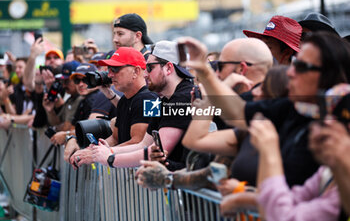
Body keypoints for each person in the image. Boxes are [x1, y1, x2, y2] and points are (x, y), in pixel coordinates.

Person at [178, 31, 350, 188]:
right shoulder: (291, 107)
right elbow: (235, 113)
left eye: (302, 66)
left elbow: (308, 201)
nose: (291, 72)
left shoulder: (337, 128)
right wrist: (204, 71)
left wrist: (243, 194)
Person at [136, 66, 289, 191]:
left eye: (150, 67)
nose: (146, 73)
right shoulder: (248, 129)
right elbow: (202, 165)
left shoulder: (285, 132)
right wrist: (167, 172)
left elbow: (205, 163)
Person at [78, 41, 194, 170]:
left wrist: (110, 157)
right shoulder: (164, 100)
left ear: (168, 68)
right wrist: (104, 152)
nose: (145, 74)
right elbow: (144, 144)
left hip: (187, 184)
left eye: (150, 67)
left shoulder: (182, 98)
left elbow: (156, 151)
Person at [66, 47, 157, 164]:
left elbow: (138, 143)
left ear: (136, 71)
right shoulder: (125, 99)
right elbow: (115, 138)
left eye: (115, 69)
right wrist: (89, 151)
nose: (109, 75)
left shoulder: (147, 99)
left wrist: (98, 154)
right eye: (109, 69)